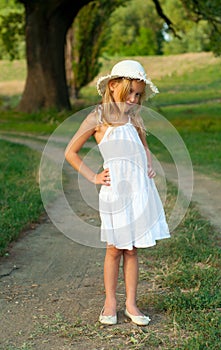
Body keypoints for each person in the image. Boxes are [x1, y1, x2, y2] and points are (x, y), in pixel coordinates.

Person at [65, 60, 170, 326]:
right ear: (113, 87)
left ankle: (131, 304)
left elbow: (144, 147)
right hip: (115, 193)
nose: (134, 99)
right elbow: (70, 152)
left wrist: (148, 165)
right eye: (130, 92)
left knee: (132, 249)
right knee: (114, 248)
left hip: (138, 190)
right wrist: (94, 176)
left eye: (138, 95)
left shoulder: (135, 117)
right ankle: (110, 301)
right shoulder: (97, 118)